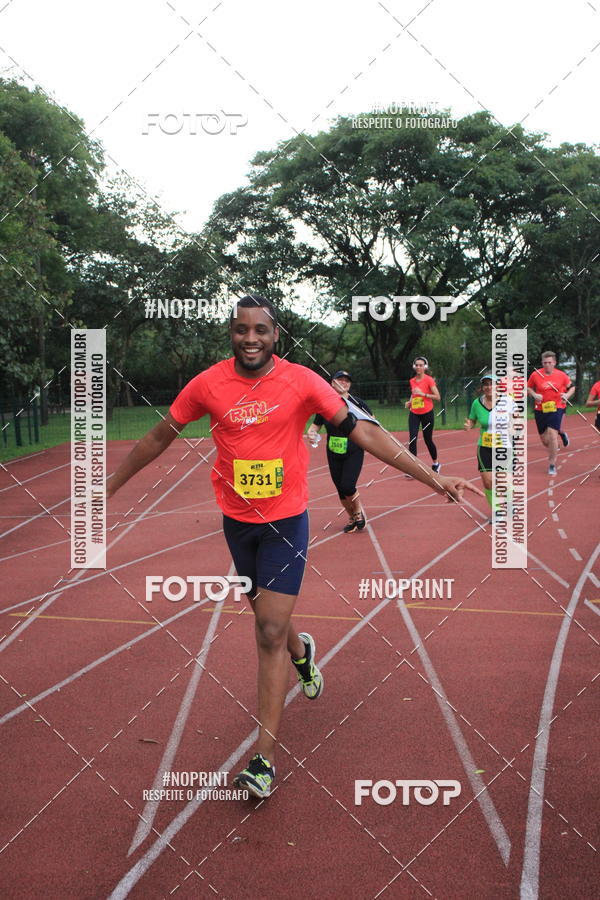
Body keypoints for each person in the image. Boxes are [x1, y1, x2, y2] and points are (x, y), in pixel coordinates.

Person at [106, 295, 482, 800]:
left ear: (275, 334)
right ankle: (303, 654)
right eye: (241, 330)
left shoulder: (304, 381)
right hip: (237, 523)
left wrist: (436, 482)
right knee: (270, 621)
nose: (251, 338)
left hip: (285, 521)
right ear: (232, 334)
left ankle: (262, 759)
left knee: (266, 630)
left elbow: (366, 434)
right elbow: (159, 436)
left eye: (260, 329)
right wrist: (109, 486)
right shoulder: (208, 384)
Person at [307, 370, 372, 533]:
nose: (343, 383)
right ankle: (352, 517)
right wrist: (312, 433)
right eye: (339, 380)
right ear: (331, 383)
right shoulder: (324, 405)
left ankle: (358, 511)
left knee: (348, 486)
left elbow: (373, 423)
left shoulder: (358, 403)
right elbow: (315, 426)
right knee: (340, 490)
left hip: (354, 449)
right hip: (333, 451)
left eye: (347, 381)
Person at [464, 374, 512, 522]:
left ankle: (510, 503)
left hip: (503, 445)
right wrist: (469, 425)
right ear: (482, 387)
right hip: (484, 446)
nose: (489, 387)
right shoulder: (476, 404)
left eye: (492, 384)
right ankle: (497, 511)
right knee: (488, 481)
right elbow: (472, 420)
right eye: (486, 384)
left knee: (502, 480)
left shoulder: (508, 401)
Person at [527, 351, 575, 476]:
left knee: (552, 434)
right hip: (540, 409)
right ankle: (554, 445)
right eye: (545, 363)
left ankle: (552, 464)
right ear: (542, 363)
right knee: (544, 440)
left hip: (556, 407)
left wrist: (567, 395)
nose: (547, 365)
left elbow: (572, 387)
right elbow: (528, 387)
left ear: (554, 363)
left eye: (549, 362)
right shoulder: (535, 375)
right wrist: (534, 394)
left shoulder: (561, 375)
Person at [404, 357, 441, 474]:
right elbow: (413, 394)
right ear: (414, 367)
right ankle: (412, 468)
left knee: (427, 439)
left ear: (425, 367)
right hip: (414, 413)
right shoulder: (412, 380)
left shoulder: (429, 380)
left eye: (421, 365)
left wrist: (424, 394)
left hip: (427, 413)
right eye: (417, 365)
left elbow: (438, 397)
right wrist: (409, 402)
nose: (419, 367)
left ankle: (436, 463)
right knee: (412, 439)